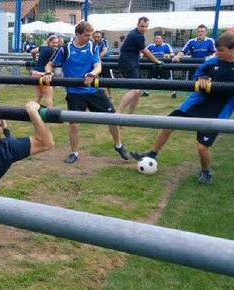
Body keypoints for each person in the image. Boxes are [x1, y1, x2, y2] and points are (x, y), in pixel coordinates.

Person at [130, 32, 234, 184]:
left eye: (221, 50)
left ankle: (206, 172)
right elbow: (197, 75)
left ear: (232, 50)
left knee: (202, 147)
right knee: (168, 124)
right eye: (216, 50)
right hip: (197, 104)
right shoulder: (213, 62)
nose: (217, 53)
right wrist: (201, 78)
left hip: (217, 111)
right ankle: (152, 154)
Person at [44, 21, 131, 164]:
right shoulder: (65, 49)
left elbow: (98, 66)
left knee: (112, 118)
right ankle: (74, 152)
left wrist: (91, 73)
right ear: (77, 34)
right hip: (74, 92)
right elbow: (50, 64)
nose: (89, 37)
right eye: (86, 35)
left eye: (90, 35)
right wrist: (48, 72)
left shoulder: (93, 46)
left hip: (93, 91)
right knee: (74, 124)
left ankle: (118, 145)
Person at [115, 17, 164, 114]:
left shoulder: (135, 33)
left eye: (146, 27)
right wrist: (157, 61)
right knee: (135, 89)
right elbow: (146, 52)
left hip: (131, 62)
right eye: (142, 26)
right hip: (129, 63)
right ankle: (118, 113)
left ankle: (130, 115)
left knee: (138, 90)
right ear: (137, 24)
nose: (144, 29)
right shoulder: (136, 35)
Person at [30, 35, 59, 107]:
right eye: (53, 43)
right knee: (48, 96)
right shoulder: (53, 52)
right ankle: (51, 114)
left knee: (39, 96)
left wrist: (35, 59)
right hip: (44, 75)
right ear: (49, 42)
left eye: (56, 43)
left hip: (35, 73)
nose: (55, 44)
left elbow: (32, 51)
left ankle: (32, 110)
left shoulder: (42, 48)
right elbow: (56, 63)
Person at [93, 31, 114, 101]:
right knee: (95, 79)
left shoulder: (104, 41)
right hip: (97, 64)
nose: (96, 38)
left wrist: (97, 58)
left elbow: (105, 51)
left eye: (98, 37)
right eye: (95, 37)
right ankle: (95, 95)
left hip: (106, 63)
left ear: (101, 37)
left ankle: (110, 96)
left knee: (108, 80)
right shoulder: (92, 43)